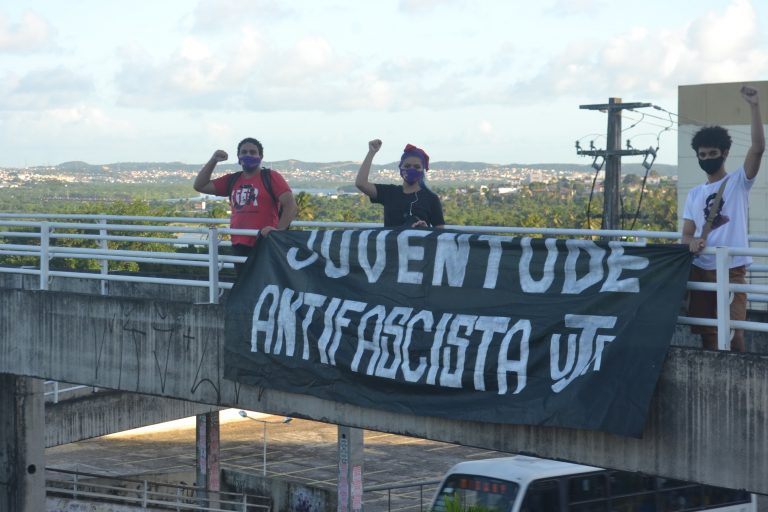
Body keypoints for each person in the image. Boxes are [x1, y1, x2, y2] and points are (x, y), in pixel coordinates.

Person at [682, 85, 765, 352]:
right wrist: (691, 242)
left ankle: (738, 378)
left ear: (725, 153)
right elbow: (686, 233)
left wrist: (754, 106)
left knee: (733, 332)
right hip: (702, 268)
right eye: (702, 155)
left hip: (732, 268)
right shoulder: (694, 194)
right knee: (707, 334)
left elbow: (758, 148)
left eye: (712, 154)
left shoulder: (739, 182)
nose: (706, 159)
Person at [193, 137, 298, 272]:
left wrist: (278, 232)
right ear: (238, 156)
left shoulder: (270, 177)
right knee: (244, 286)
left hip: (264, 242)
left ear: (260, 156)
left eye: (253, 152)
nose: (248, 155)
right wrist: (213, 160)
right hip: (238, 243)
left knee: (264, 286)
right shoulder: (232, 179)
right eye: (244, 152)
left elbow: (290, 205)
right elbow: (200, 185)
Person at [355, 139, 445, 228]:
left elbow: (440, 235)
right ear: (400, 167)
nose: (411, 169)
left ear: (423, 170)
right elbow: (361, 183)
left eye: (417, 167)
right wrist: (371, 152)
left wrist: (425, 230)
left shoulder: (431, 198)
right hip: (391, 242)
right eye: (407, 166)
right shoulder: (389, 192)